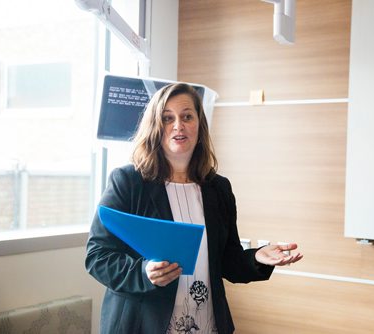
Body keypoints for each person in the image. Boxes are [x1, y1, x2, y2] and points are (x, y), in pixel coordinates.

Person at [85, 82, 303, 334]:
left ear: (199, 125)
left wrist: (257, 256)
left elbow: (226, 260)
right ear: (155, 127)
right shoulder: (129, 182)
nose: (178, 125)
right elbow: (97, 256)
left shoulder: (218, 188)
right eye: (168, 118)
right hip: (143, 324)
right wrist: (143, 272)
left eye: (187, 116)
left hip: (206, 324)